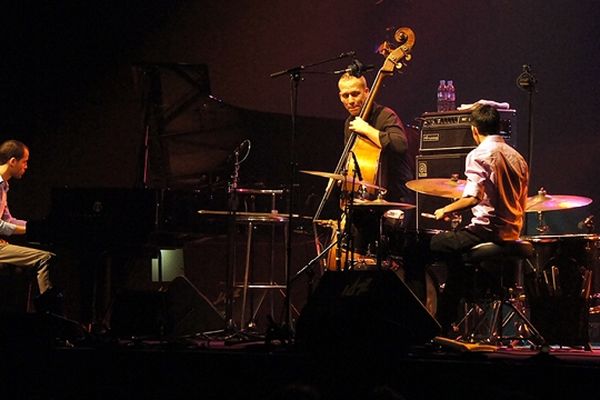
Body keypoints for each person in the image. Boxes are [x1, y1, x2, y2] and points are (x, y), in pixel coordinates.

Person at [429, 104, 529, 335]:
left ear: (474, 130)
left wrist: (446, 209)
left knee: (422, 247)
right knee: (455, 259)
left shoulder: (479, 154)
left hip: (485, 231)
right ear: (499, 126)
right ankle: (445, 322)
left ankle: (433, 321)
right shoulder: (518, 157)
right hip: (512, 231)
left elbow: (473, 197)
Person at [336, 72, 417, 260]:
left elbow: (400, 145)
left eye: (355, 94)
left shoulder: (385, 115)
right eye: (344, 95)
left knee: (389, 257)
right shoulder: (349, 123)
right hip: (368, 202)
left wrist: (368, 130)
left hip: (395, 198)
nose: (350, 100)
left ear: (367, 92)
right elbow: (354, 163)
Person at [0, 139, 62, 314]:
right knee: (45, 258)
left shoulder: (3, 185)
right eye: (25, 162)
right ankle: (51, 320)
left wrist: (37, 225)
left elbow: (8, 220)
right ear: (13, 161)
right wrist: (35, 230)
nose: (26, 167)